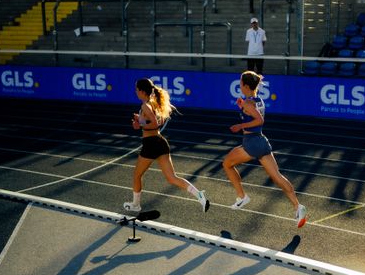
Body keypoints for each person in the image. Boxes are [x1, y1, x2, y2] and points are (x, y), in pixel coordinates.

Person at [222, 70, 307, 228]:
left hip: (251, 143)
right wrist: (243, 106)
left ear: (246, 85)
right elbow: (254, 113)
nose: (239, 85)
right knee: (277, 177)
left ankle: (242, 196)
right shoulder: (257, 100)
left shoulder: (249, 103)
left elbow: (259, 120)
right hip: (261, 141)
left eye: (240, 83)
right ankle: (298, 207)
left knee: (227, 163)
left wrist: (240, 125)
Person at [124, 77, 210, 213]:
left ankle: (136, 205)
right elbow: (157, 121)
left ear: (141, 91)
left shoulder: (145, 106)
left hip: (150, 144)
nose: (135, 92)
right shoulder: (154, 103)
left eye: (136, 89)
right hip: (160, 142)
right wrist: (140, 121)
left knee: (137, 175)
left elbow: (154, 123)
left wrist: (140, 122)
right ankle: (199, 195)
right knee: (172, 178)